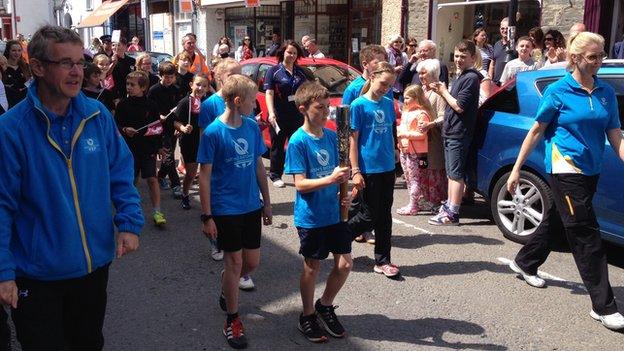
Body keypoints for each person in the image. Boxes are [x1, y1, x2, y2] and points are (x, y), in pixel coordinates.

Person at [0, 25, 143, 350]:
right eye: (65, 63)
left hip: (92, 267)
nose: (77, 72)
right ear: (37, 66)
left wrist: (129, 221)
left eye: (80, 62)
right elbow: (1, 205)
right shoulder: (11, 130)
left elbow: (120, 170)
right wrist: (3, 270)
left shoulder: (97, 116)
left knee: (88, 344)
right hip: (36, 277)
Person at [506, 31, 624, 331]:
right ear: (575, 58)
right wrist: (517, 168)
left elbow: (614, 133)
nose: (599, 62)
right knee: (585, 233)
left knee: (560, 220)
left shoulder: (605, 92)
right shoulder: (558, 91)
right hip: (564, 167)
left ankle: (525, 261)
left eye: (601, 56)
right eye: (592, 57)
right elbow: (536, 130)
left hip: (591, 168)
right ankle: (603, 305)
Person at [198, 74, 272, 349]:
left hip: (251, 206)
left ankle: (225, 286)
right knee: (235, 263)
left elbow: (258, 166)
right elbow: (204, 176)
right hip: (225, 209)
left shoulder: (252, 128)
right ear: (239, 101)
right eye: (253, 100)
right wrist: (207, 216)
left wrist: (266, 201)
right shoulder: (214, 133)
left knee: (250, 263)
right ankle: (233, 319)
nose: (256, 105)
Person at [284, 81, 352, 342]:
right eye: (319, 108)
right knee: (312, 267)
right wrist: (331, 180)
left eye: (328, 107)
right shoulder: (298, 141)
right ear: (303, 109)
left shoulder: (334, 136)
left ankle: (325, 305)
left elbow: (343, 175)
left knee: (345, 265)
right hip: (311, 216)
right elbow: (300, 184)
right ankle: (307, 314)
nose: (326, 112)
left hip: (335, 212)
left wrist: (347, 192)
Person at [349, 61, 399, 277]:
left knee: (384, 216)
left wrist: (395, 151)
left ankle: (383, 260)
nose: (385, 89)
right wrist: (355, 170)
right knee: (369, 215)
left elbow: (390, 131)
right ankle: (339, 235)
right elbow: (354, 141)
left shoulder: (388, 103)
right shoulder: (358, 105)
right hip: (368, 168)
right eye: (383, 83)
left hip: (387, 167)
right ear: (371, 77)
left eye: (389, 86)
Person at [427, 40, 481, 226]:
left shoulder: (471, 78)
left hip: (459, 132)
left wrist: (443, 91)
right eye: (456, 56)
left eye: (463, 57)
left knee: (456, 173)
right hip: (451, 131)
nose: (458, 60)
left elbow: (459, 106)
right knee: (451, 173)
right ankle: (449, 206)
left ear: (473, 58)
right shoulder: (462, 76)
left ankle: (453, 212)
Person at [115, 71, 167, 227]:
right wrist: (125, 130)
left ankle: (157, 211)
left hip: (147, 148)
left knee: (152, 179)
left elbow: (156, 127)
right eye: (127, 84)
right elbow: (116, 125)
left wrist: (159, 147)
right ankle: (130, 210)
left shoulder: (151, 105)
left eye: (133, 85)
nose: (129, 87)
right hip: (129, 149)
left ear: (143, 87)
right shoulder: (123, 104)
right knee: (132, 181)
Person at [264, 40, 308, 188]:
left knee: (297, 145)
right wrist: (271, 113)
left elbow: (307, 91)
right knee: (278, 146)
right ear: (283, 52)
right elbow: (269, 93)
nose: (292, 55)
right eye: (289, 52)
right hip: (279, 115)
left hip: (297, 115)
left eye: (295, 53)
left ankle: (299, 175)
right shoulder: (273, 71)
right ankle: (275, 174)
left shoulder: (301, 72)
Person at [396, 84, 435, 215]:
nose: (405, 100)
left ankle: (414, 205)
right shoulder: (406, 112)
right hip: (405, 150)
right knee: (408, 177)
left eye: (408, 98)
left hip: (417, 153)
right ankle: (416, 202)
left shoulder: (422, 114)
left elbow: (422, 135)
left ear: (416, 98)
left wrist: (404, 134)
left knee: (415, 179)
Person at [147, 61, 183, 199]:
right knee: (168, 156)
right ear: (160, 75)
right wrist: (158, 115)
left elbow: (178, 110)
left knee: (169, 154)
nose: (168, 80)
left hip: (171, 126)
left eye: (171, 77)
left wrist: (179, 126)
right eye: (166, 77)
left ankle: (161, 176)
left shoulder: (176, 90)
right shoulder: (154, 90)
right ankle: (176, 185)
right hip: (159, 127)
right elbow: (149, 108)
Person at [174, 75, 210, 210]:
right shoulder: (185, 102)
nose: (200, 88)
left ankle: (207, 200)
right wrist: (182, 127)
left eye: (204, 86)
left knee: (206, 173)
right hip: (190, 141)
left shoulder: (208, 102)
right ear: (191, 85)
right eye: (198, 84)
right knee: (191, 173)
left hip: (206, 142)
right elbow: (175, 121)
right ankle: (185, 194)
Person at [415, 59, 447, 208]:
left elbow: (443, 117)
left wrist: (430, 124)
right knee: (422, 168)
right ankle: (425, 198)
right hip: (421, 138)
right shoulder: (422, 91)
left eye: (423, 73)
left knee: (434, 169)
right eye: (419, 73)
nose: (421, 76)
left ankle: (436, 201)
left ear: (433, 73)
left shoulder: (439, 91)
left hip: (434, 138)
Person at [3, 40, 31, 107]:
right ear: (8, 51)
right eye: (14, 50)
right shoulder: (3, 68)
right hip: (9, 104)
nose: (17, 53)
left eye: (19, 50)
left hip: (25, 102)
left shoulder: (26, 66)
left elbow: (30, 82)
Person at [386, 35, 408, 99]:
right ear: (391, 42)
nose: (398, 43)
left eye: (400, 42)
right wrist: (395, 69)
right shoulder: (388, 52)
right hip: (390, 83)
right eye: (396, 41)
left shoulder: (401, 54)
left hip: (398, 83)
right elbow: (384, 67)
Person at [490, 17, 510, 85]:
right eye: (502, 28)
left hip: (509, 85)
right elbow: (492, 63)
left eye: (507, 28)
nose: (505, 30)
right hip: (496, 83)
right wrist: (490, 79)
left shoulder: (516, 45)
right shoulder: (497, 44)